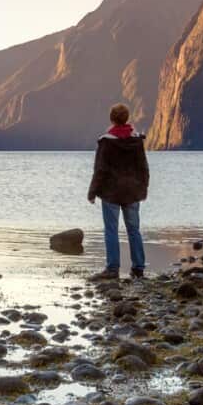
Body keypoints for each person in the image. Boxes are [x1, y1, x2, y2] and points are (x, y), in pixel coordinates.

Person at [87, 103, 149, 280]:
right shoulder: (136, 141)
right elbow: (143, 168)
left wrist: (92, 192)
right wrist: (143, 188)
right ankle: (138, 268)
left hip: (111, 192)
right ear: (127, 118)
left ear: (112, 119)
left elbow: (100, 170)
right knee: (134, 230)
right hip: (132, 192)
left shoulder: (106, 142)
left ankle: (113, 269)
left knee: (111, 231)